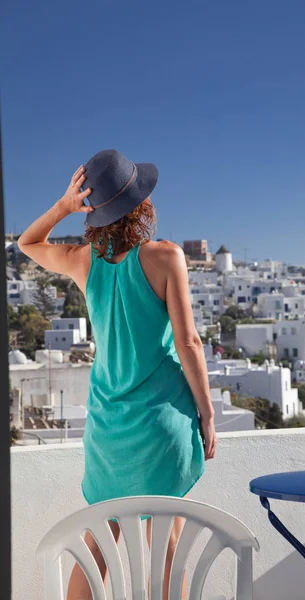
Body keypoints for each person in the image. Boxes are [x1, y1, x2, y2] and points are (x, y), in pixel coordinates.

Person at [18, 149, 217, 600]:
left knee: (98, 548)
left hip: (109, 428)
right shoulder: (166, 257)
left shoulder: (81, 260)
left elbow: (27, 244)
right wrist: (206, 413)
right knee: (168, 549)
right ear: (142, 205)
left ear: (95, 211)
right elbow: (189, 345)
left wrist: (64, 206)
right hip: (162, 424)